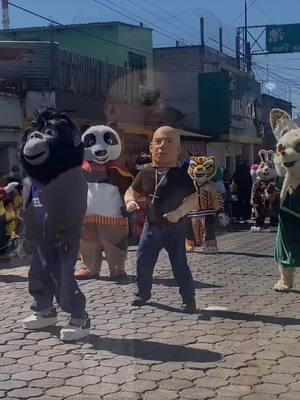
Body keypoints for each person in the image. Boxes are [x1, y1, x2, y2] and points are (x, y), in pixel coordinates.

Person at [124, 126, 197, 313]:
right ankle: (142, 293)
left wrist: (179, 213)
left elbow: (192, 198)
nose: (162, 146)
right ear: (150, 147)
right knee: (142, 260)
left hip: (174, 227)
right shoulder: (146, 172)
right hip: (151, 226)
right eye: (158, 141)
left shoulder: (181, 175)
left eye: (169, 142)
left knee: (179, 263)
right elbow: (131, 191)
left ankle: (188, 299)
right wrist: (130, 201)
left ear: (179, 150)